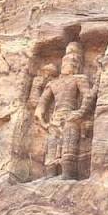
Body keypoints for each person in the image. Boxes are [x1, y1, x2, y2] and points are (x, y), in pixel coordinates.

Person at [34, 42, 95, 179]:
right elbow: (41, 104)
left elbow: (88, 96)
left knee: (68, 148)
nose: (68, 64)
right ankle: (50, 177)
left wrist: (81, 112)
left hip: (70, 117)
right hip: (55, 119)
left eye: (73, 61)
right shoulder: (53, 83)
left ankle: (67, 176)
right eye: (66, 62)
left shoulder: (79, 79)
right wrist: (42, 121)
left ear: (78, 65)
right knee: (51, 149)